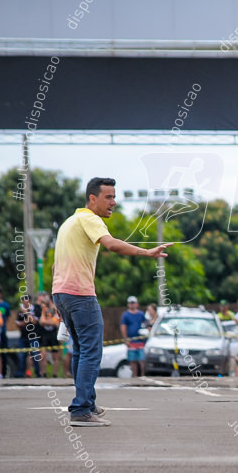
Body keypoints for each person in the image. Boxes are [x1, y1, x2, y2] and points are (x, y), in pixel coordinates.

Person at [52, 177, 172, 427]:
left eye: (114, 197)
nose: (114, 203)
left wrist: (58, 298)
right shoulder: (89, 219)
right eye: (108, 197)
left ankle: (87, 403)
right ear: (92, 199)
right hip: (80, 295)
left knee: (80, 351)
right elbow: (112, 245)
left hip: (62, 293)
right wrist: (147, 252)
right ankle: (81, 409)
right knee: (92, 352)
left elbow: (55, 264)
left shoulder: (69, 222)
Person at [35, 293, 61, 377]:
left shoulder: (55, 309)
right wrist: (50, 322)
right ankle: (43, 373)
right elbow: (41, 322)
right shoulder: (43, 310)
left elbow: (55, 322)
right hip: (44, 335)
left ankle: (55, 374)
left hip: (53, 334)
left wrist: (48, 322)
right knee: (43, 355)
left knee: (55, 356)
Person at [120, 295, 146, 377]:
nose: (132, 305)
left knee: (141, 360)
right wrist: (126, 339)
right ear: (128, 304)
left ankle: (142, 376)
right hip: (131, 341)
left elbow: (146, 324)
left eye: (133, 303)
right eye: (130, 303)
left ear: (137, 304)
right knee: (132, 360)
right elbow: (123, 327)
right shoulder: (126, 315)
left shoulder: (141, 314)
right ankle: (134, 376)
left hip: (140, 341)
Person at [14, 294, 40, 377]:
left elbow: (35, 322)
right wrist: (26, 320)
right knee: (21, 357)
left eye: (26, 300)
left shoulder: (36, 309)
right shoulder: (20, 312)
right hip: (23, 337)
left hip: (34, 336)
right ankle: (20, 374)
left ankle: (38, 374)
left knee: (35, 356)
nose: (24, 302)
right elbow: (18, 324)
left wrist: (26, 313)